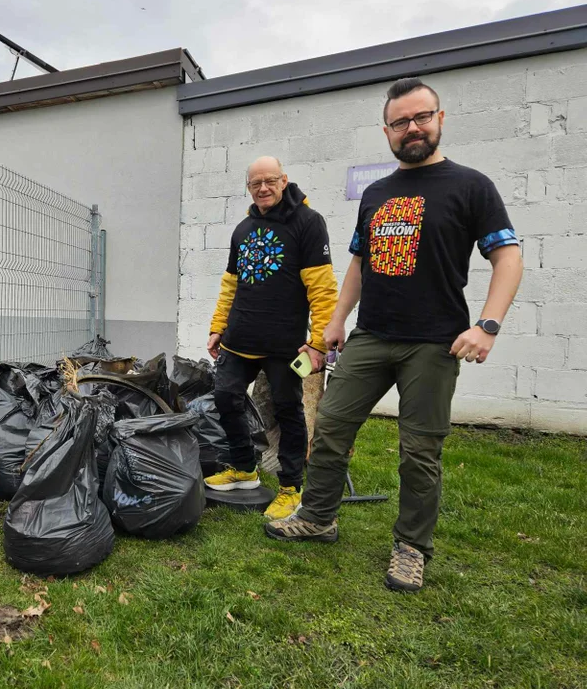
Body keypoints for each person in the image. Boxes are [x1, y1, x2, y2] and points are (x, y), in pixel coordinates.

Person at [264, 78, 524, 593]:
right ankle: (318, 517)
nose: (412, 128)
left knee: (418, 450)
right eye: (400, 121)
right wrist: (336, 322)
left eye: (421, 117)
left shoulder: (471, 186)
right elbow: (359, 261)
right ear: (386, 130)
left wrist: (488, 324)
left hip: (435, 342)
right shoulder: (378, 193)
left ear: (440, 119)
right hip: (371, 336)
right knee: (332, 428)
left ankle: (411, 547)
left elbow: (507, 256)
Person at [205, 156, 338, 523]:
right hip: (238, 339)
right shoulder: (243, 228)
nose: (262, 188)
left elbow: (323, 290)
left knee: (288, 412)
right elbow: (230, 284)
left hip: (285, 346)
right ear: (248, 188)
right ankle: (245, 469)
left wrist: (318, 343)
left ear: (284, 181)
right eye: (255, 183)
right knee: (225, 397)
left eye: (270, 181)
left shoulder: (309, 224)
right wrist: (218, 327)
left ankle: (290, 488)